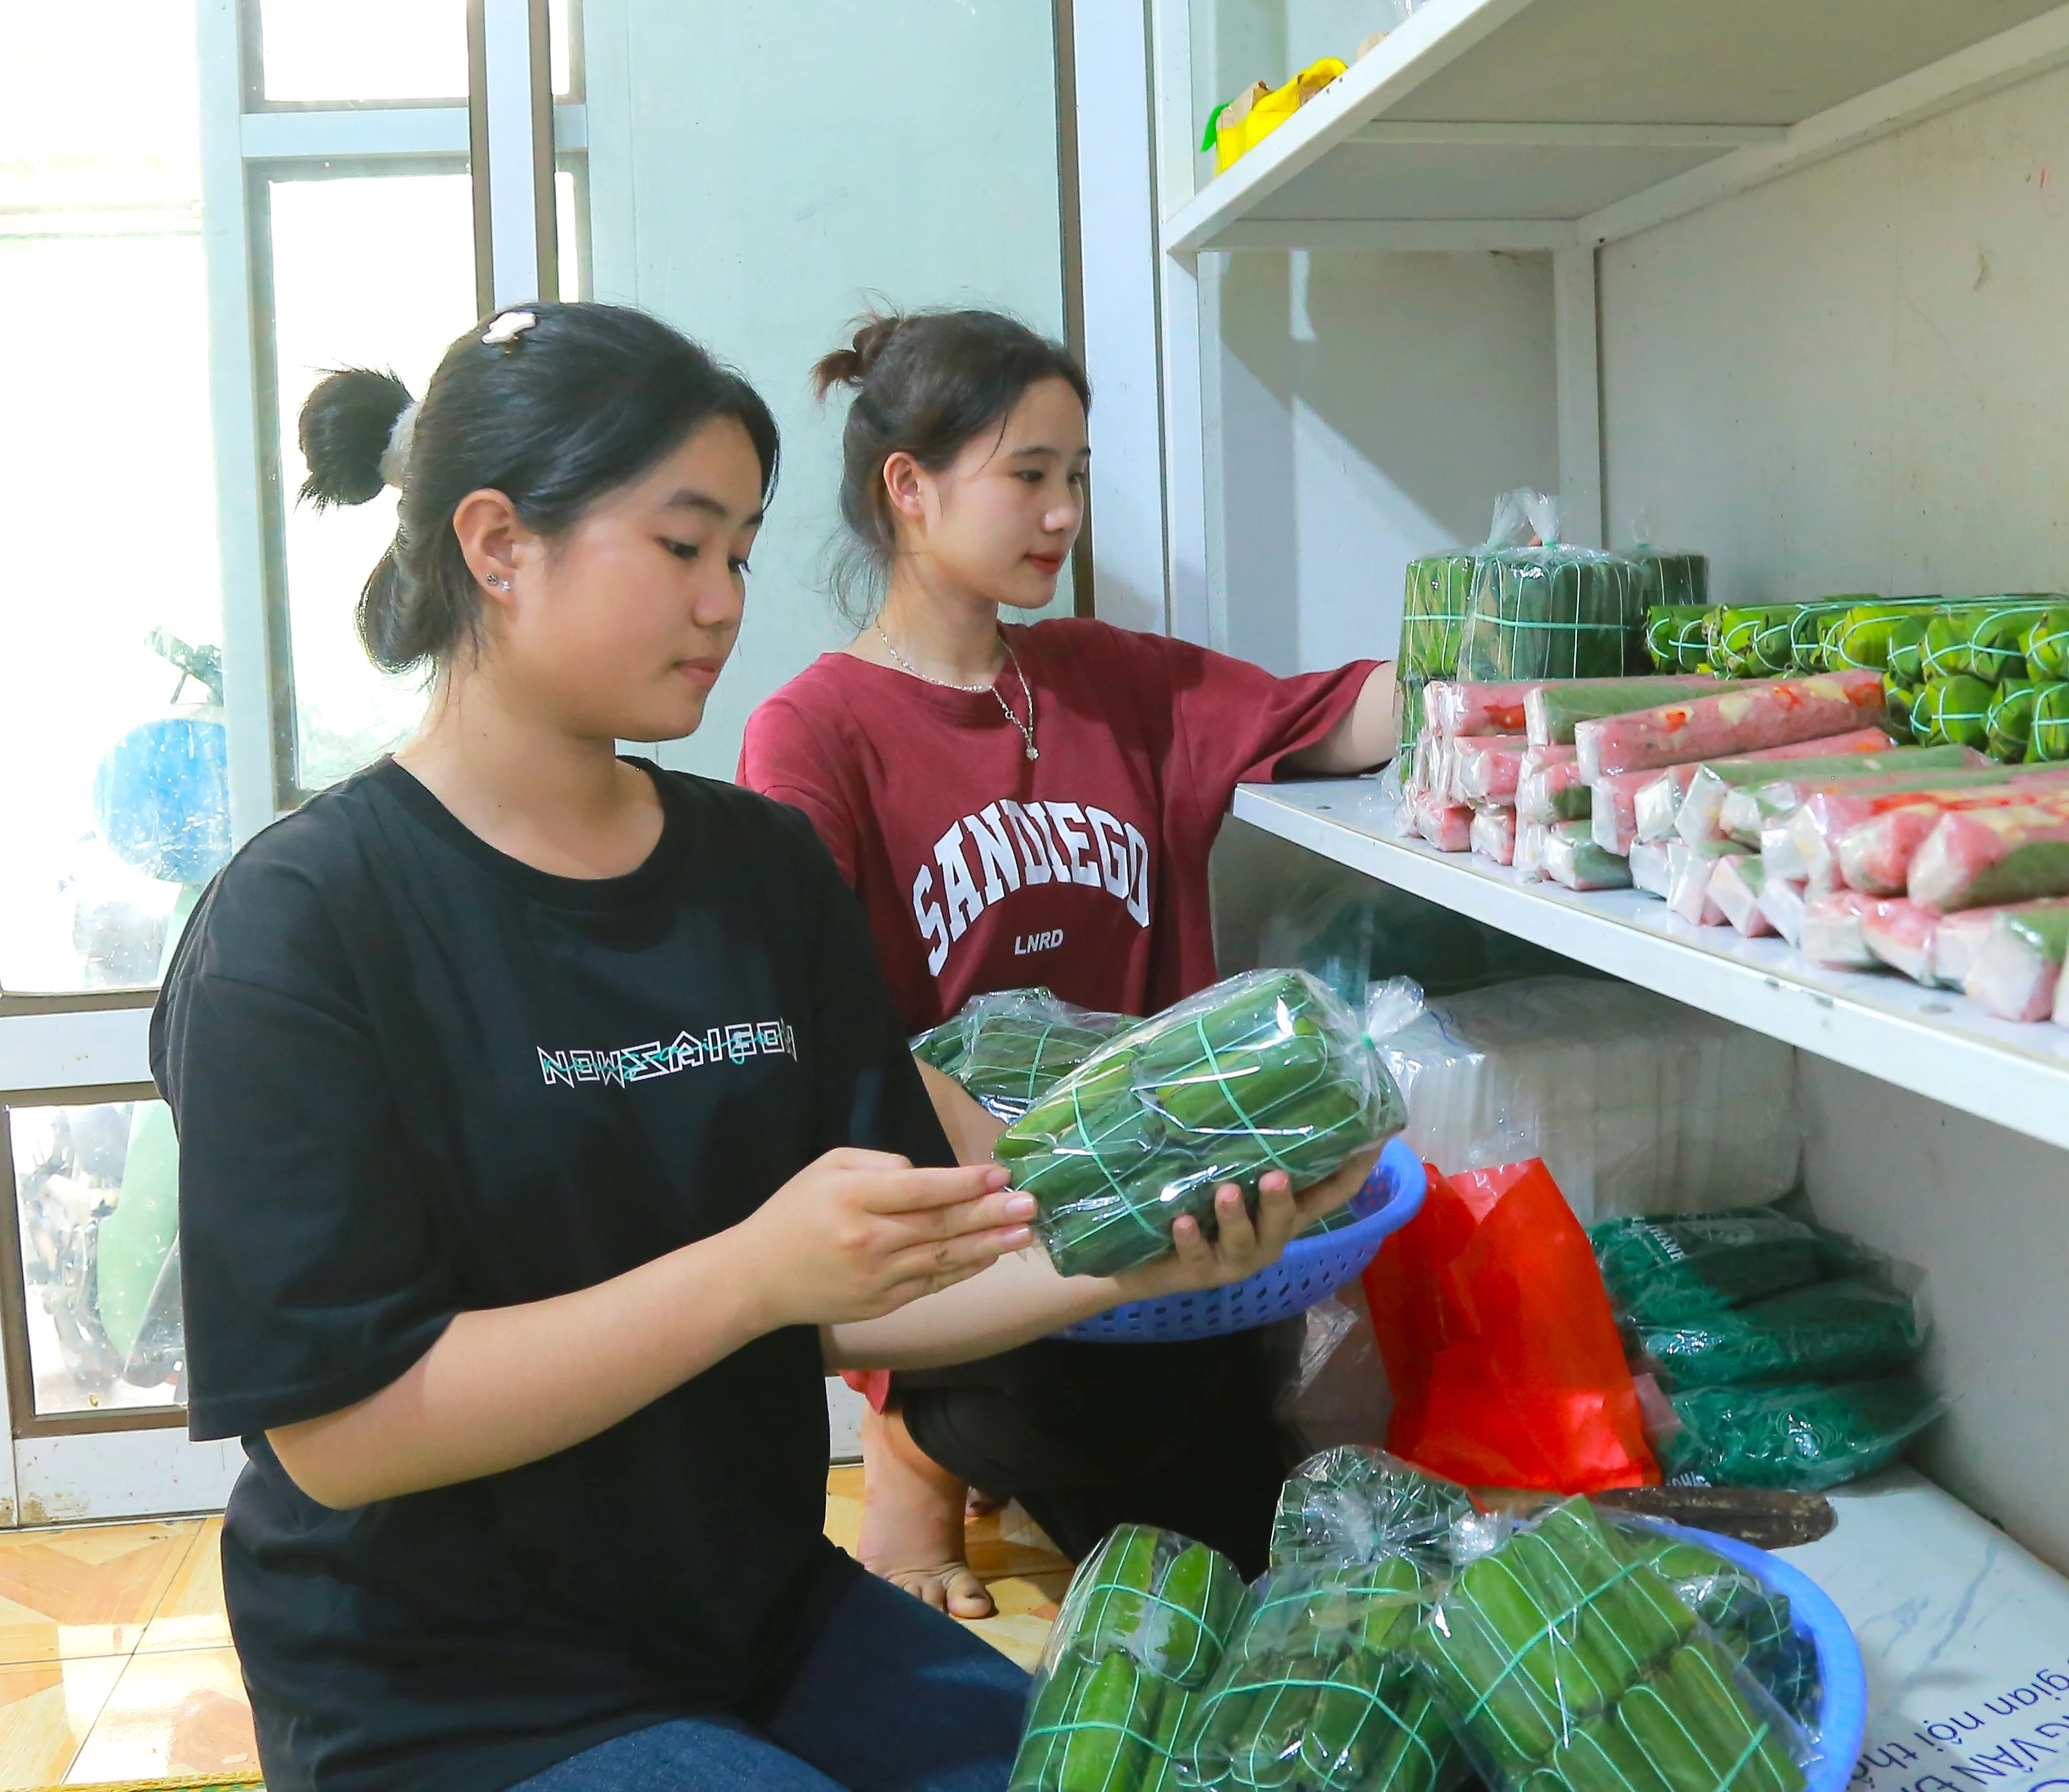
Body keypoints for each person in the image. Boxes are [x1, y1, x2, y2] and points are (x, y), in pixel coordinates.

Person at [155, 301, 1372, 1792]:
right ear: (496, 544)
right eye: (679, 546)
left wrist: (1145, 1264)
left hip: (752, 1613)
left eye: (737, 551)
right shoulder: (304, 928)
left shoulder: (755, 873)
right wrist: (747, 1275)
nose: (725, 601)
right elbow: (340, 1435)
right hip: (451, 1689)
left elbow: (864, 1288)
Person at [739, 309, 1396, 1616]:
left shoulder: (1111, 680)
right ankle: (916, 1443)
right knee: (1092, 1435)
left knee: (1252, 1547)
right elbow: (815, 1017)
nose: (1062, 512)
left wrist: (1503, 669)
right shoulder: (814, 732)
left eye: (1077, 475)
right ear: (909, 487)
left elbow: (1340, 716)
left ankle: (974, 1443)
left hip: (1160, 1208)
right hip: (978, 1237)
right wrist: (1000, 1172)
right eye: (1027, 474)